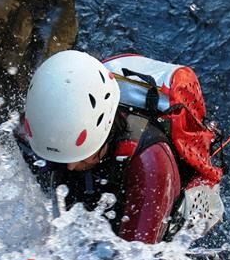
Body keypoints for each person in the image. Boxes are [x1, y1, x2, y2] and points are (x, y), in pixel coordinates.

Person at [16, 50, 182, 244]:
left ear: (106, 130)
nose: (71, 166)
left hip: (157, 216)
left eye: (81, 154)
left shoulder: (151, 164)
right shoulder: (37, 128)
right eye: (65, 157)